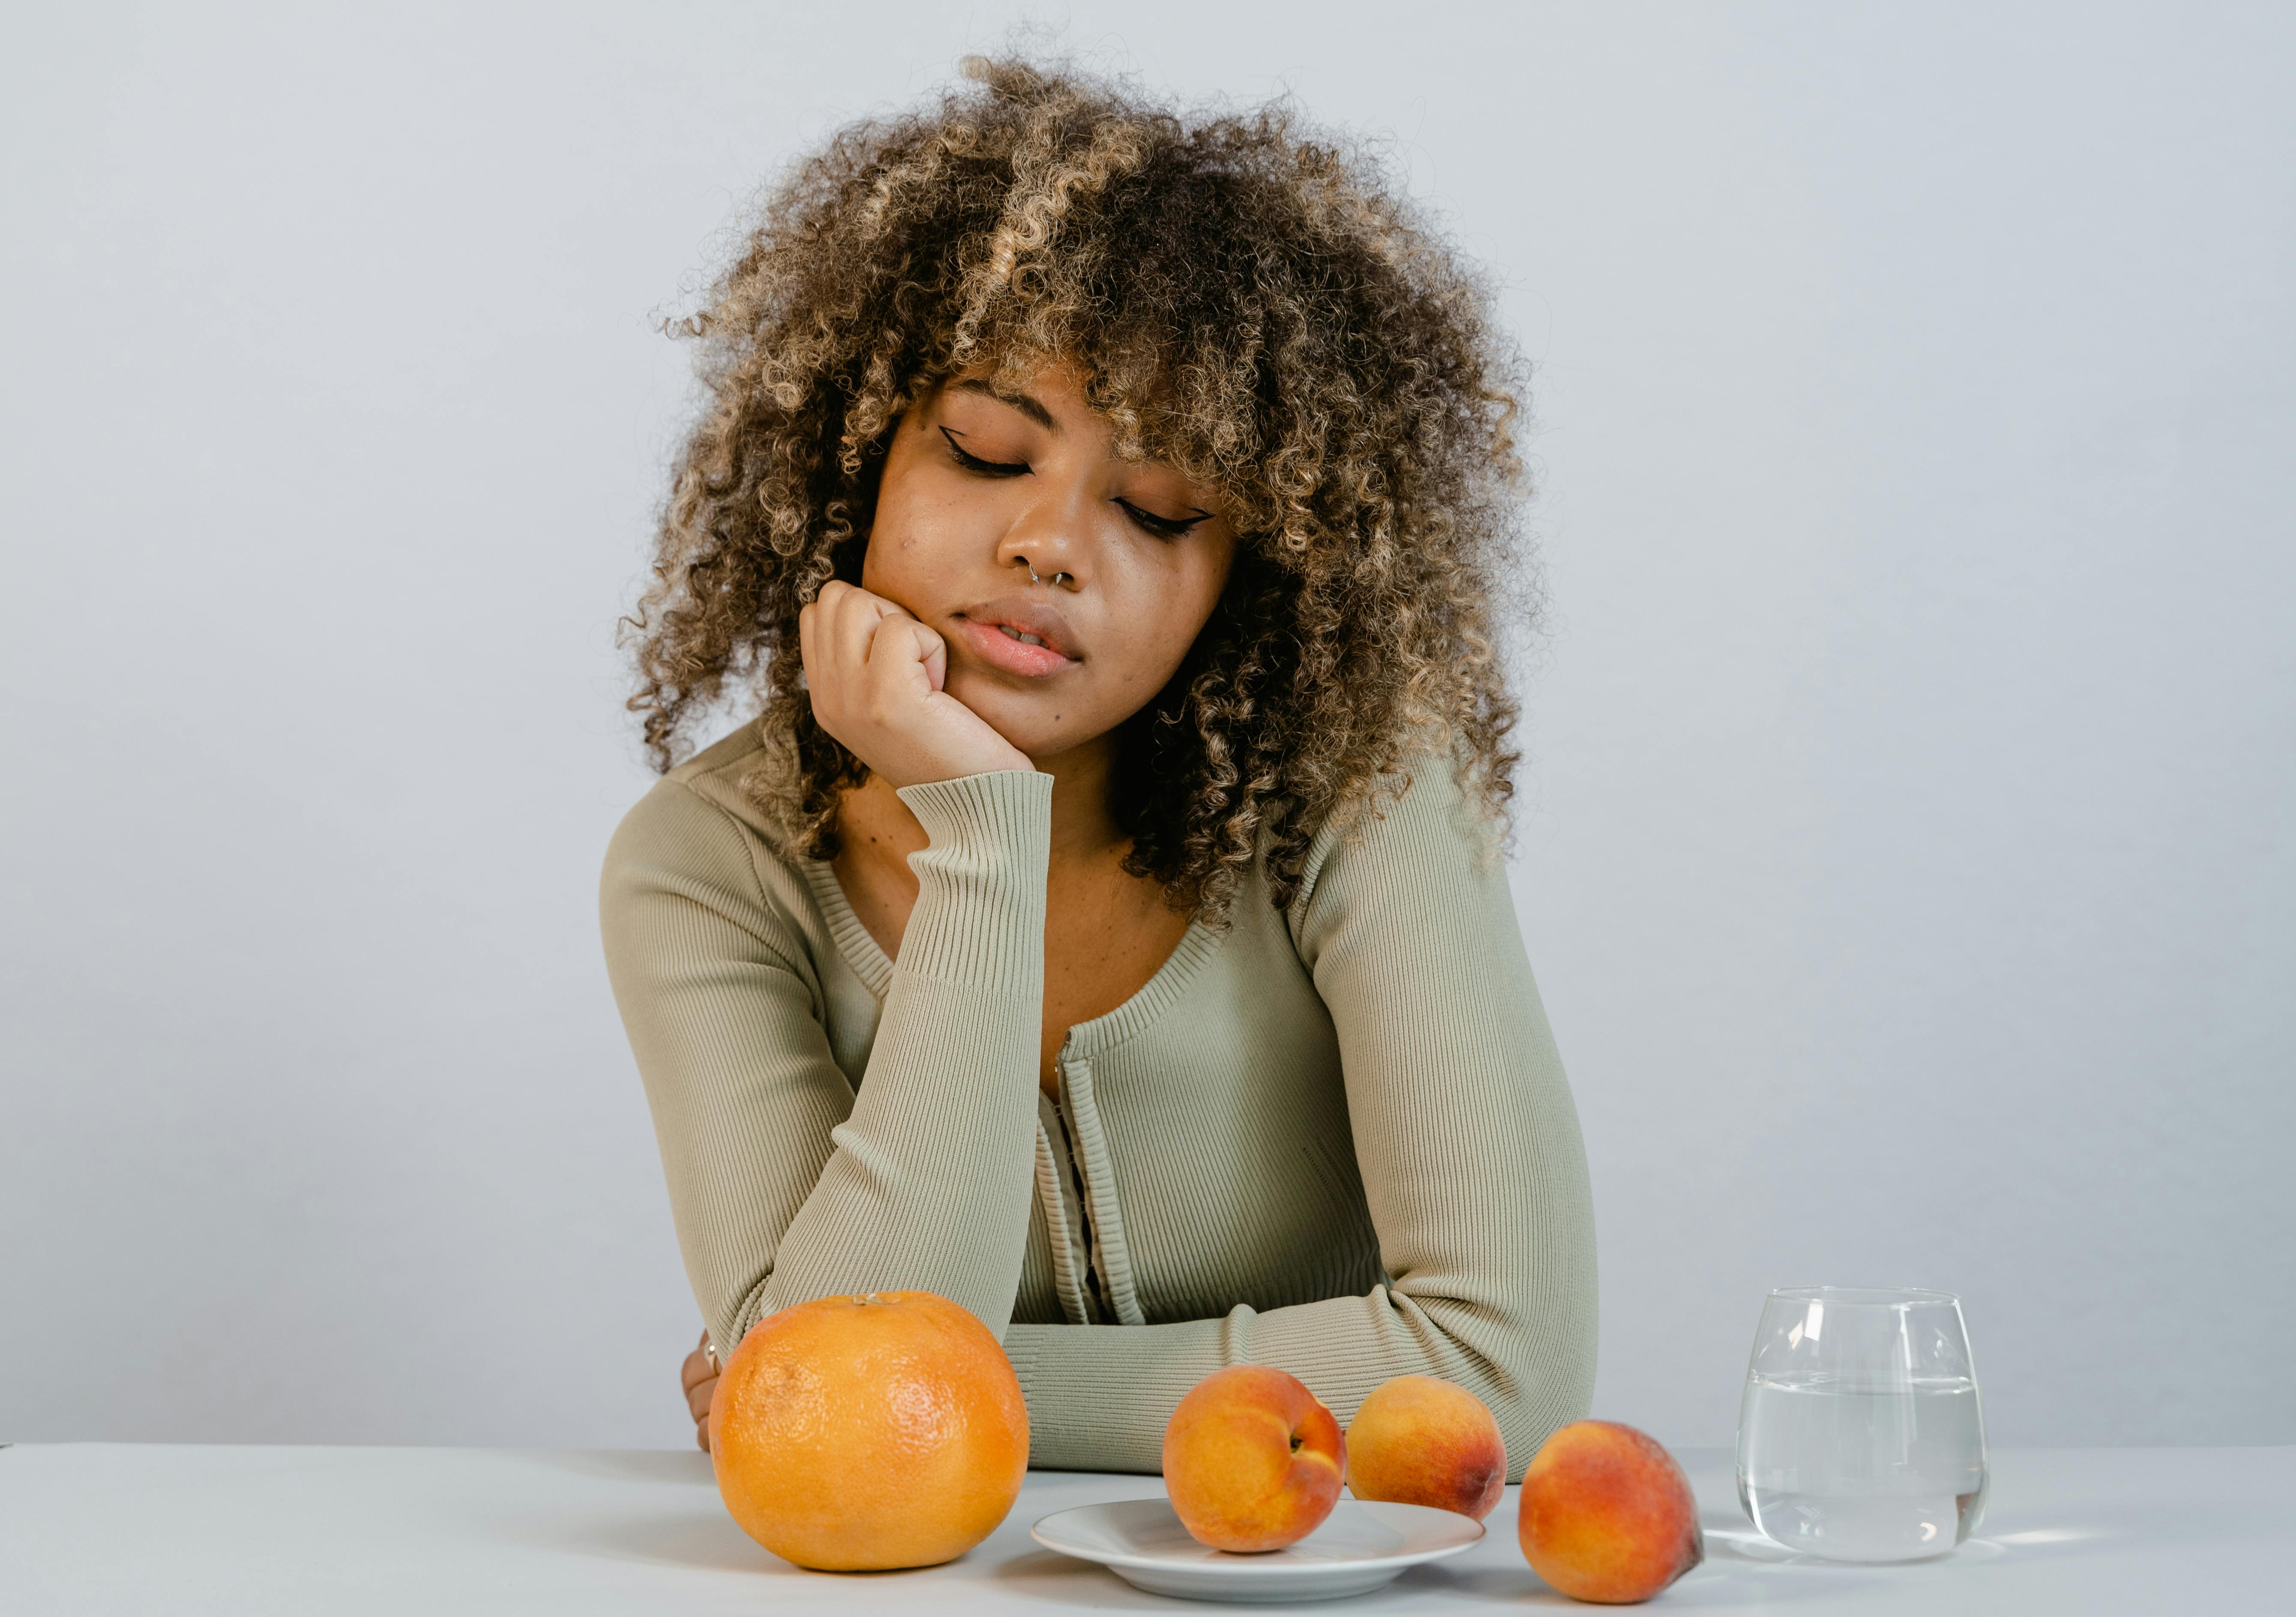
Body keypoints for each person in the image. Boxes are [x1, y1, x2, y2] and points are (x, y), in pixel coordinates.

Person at [601, 55, 1596, 1477]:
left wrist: (931, 1389)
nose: (1052, 544)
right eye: (987, 451)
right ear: (856, 459)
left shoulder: (1361, 798)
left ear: (1248, 576)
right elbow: (841, 1441)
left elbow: (1505, 1371)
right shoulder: (710, 863)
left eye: (1157, 505)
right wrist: (984, 837)